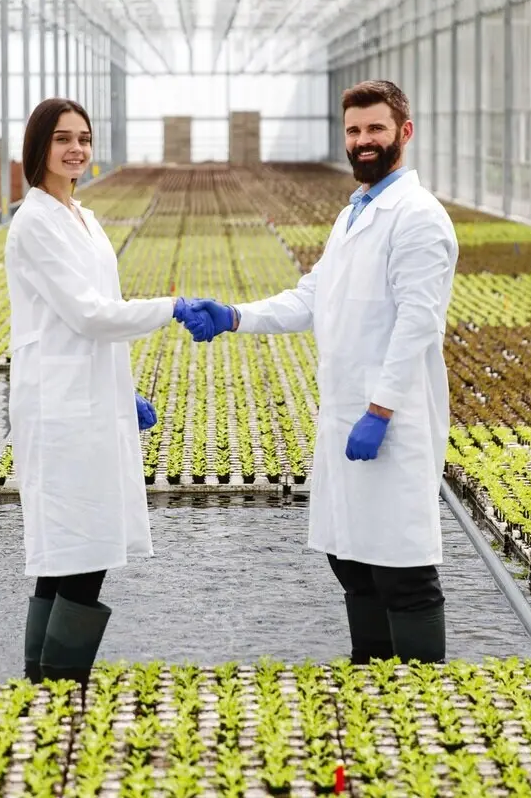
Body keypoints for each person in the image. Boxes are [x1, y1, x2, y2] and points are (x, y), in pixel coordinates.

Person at [180, 79, 458, 664]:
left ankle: (428, 707)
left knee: (403, 569)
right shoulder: (353, 213)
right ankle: (373, 679)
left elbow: (418, 325)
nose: (363, 141)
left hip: (391, 420)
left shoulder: (418, 217)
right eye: (354, 130)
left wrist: (381, 410)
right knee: (351, 560)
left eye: (376, 129)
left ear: (404, 133)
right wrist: (235, 316)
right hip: (343, 416)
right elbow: (312, 296)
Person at [5, 96, 208, 685]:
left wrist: (123, 391)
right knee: (79, 552)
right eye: (63, 138)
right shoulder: (36, 220)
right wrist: (170, 306)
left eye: (84, 139)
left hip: (87, 398)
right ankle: (61, 682)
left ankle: (40, 681)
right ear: (38, 147)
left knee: (71, 553)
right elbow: (90, 315)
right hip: (61, 407)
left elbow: (96, 319)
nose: (76, 149)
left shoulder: (82, 217)